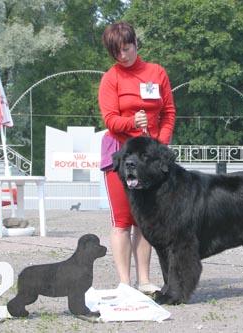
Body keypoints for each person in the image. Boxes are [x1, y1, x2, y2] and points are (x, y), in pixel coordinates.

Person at [98, 21, 176, 294]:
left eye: (127, 48)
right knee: (122, 222)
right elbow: (109, 120)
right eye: (116, 52)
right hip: (120, 155)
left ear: (135, 43)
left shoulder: (157, 72)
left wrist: (160, 146)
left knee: (145, 222)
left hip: (150, 159)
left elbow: (168, 113)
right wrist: (132, 121)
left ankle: (144, 281)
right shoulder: (111, 78)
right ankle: (124, 283)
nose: (123, 56)